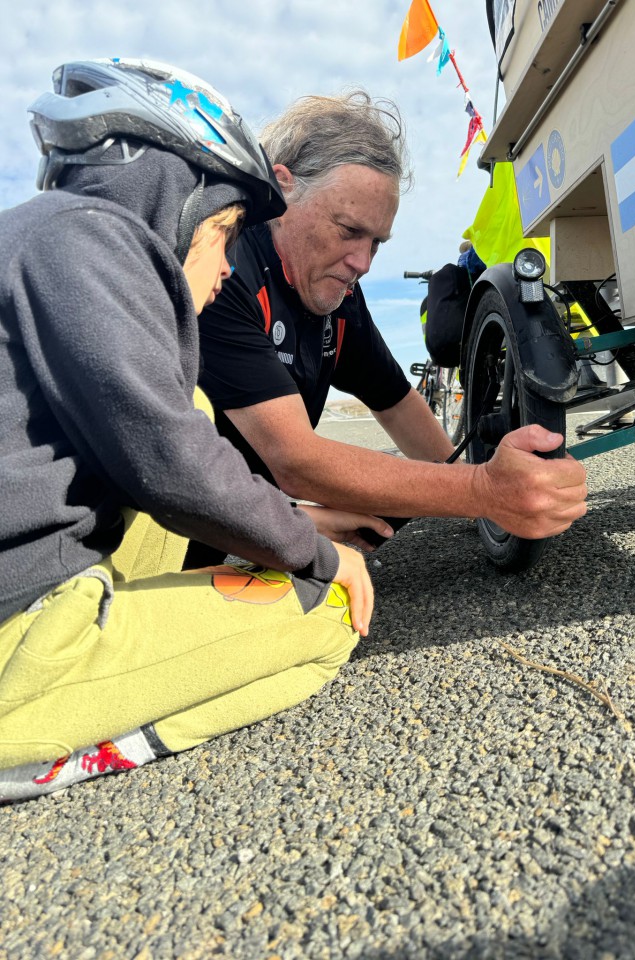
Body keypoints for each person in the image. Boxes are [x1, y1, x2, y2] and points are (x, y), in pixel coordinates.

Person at [0, 59, 381, 804]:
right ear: (176, 198)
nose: (222, 270)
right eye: (227, 232)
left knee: (195, 410)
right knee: (330, 618)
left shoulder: (42, 237)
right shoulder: (91, 239)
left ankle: (106, 653)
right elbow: (167, 460)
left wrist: (288, 523)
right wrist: (321, 555)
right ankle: (40, 739)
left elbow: (152, 444)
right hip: (20, 638)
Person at [191, 91, 588, 565]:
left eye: (376, 242)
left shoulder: (340, 296)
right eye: (348, 230)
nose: (362, 263)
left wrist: (473, 503)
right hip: (149, 538)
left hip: (229, 514)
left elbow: (396, 403)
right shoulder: (224, 269)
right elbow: (295, 460)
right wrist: (482, 490)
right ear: (283, 188)